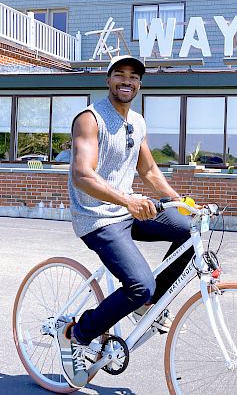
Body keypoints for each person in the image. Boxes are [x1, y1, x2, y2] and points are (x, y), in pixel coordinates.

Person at [56, 55, 193, 388]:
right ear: (108, 80)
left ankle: (146, 306)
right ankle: (78, 333)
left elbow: (147, 171)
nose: (126, 81)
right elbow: (82, 175)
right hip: (97, 218)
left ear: (139, 84)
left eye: (133, 76)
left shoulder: (138, 122)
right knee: (139, 284)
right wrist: (128, 200)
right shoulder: (90, 120)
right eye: (119, 75)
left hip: (128, 209)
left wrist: (180, 202)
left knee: (189, 231)